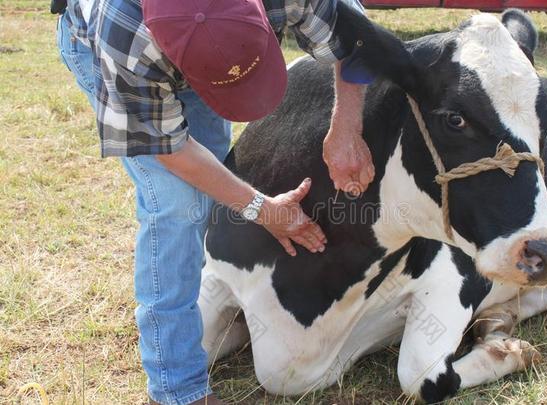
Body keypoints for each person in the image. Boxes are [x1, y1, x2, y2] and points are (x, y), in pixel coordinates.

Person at [56, 0, 374, 404]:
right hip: (108, 50)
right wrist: (261, 208)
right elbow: (173, 152)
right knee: (176, 208)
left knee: (215, 175)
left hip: (185, 54)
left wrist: (346, 126)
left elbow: (358, 39)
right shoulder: (125, 34)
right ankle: (177, 388)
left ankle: (203, 296)